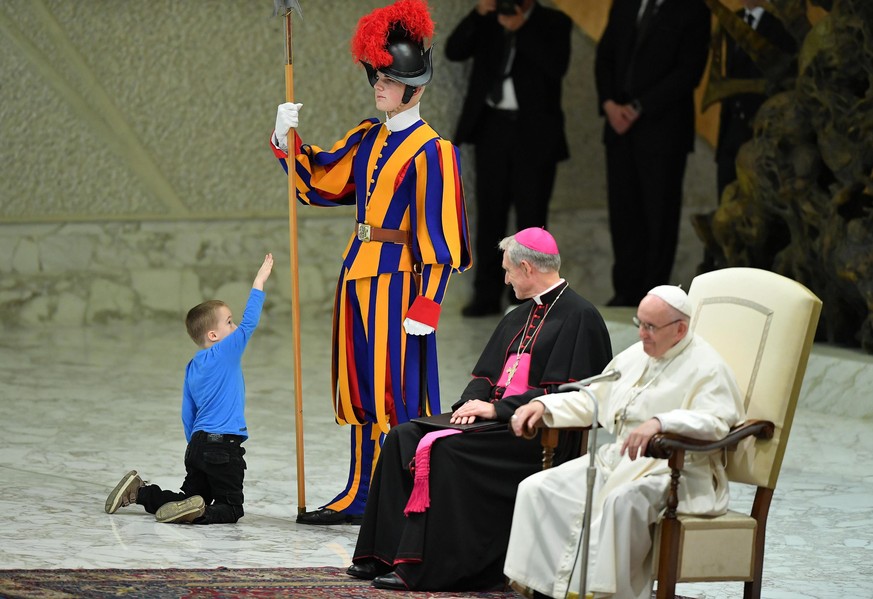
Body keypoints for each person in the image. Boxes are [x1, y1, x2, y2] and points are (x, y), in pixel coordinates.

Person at [270, 0, 471, 525]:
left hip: (400, 282)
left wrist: (429, 303)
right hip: (358, 274)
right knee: (361, 389)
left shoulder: (434, 151)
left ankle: (401, 493)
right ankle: (361, 493)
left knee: (397, 392)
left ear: (416, 86)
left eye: (388, 77)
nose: (378, 85)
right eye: (376, 74)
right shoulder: (368, 137)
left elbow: (441, 234)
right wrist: (282, 138)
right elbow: (320, 182)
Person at [346, 227, 613, 591]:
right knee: (401, 437)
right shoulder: (517, 316)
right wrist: (473, 404)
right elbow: (484, 375)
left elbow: (570, 393)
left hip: (534, 433)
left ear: (527, 268)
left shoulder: (581, 316)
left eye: (507, 270)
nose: (505, 278)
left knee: (444, 451)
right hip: (494, 424)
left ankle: (423, 567)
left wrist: (498, 411)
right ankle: (382, 554)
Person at [503, 285, 745, 599]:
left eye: (651, 327)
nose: (642, 334)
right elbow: (595, 400)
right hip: (619, 461)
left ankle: (612, 595)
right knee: (537, 488)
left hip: (677, 473)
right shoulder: (635, 356)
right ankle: (548, 591)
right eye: (639, 324)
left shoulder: (708, 367)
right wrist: (544, 406)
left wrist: (661, 423)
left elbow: (716, 422)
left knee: (622, 501)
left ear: (680, 329)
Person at [104, 253, 274, 524]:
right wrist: (259, 281)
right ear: (213, 336)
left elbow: (188, 411)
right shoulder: (226, 351)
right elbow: (250, 322)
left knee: (188, 496)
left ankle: (141, 493)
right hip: (224, 446)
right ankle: (199, 512)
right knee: (231, 508)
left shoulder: (192, 366)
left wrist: (195, 447)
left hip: (197, 444)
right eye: (229, 321)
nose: (236, 325)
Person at [445, 0, 572, 317]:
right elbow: (454, 50)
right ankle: (486, 294)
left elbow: (556, 66)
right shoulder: (490, 19)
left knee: (532, 219)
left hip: (535, 134)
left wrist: (522, 28)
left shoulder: (554, 22)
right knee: (490, 215)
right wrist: (478, 13)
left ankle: (529, 294)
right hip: (493, 129)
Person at [595, 0, 711, 307]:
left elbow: (688, 72)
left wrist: (638, 108)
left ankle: (654, 294)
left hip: (663, 131)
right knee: (623, 213)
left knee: (659, 216)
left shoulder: (693, 10)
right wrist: (608, 104)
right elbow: (605, 56)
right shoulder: (624, 5)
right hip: (619, 130)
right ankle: (625, 289)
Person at [695, 0, 796, 273]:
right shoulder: (731, 21)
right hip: (731, 135)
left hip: (759, 134)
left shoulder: (780, 28)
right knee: (725, 202)